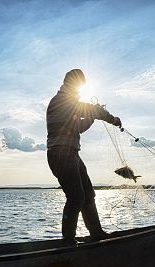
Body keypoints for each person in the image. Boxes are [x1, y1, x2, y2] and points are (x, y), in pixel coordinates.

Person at [46, 69, 122, 245]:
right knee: (76, 197)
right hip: (61, 154)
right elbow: (91, 110)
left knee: (88, 194)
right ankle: (68, 240)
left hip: (70, 153)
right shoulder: (62, 101)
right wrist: (114, 119)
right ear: (71, 84)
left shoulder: (68, 103)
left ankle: (96, 233)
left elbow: (78, 127)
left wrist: (93, 117)